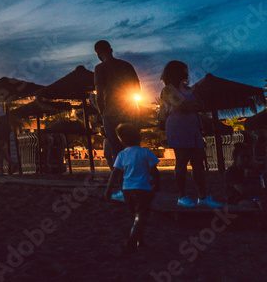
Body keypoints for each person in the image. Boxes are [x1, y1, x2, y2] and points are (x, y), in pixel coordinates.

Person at [160, 60, 221, 208]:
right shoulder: (168, 90)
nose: (187, 72)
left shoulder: (188, 89)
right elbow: (181, 107)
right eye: (184, 69)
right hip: (177, 126)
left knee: (198, 163)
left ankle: (203, 196)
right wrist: (192, 106)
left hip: (193, 127)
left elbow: (201, 105)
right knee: (181, 162)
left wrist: (191, 106)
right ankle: (182, 196)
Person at [105, 123, 160, 253]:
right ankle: (131, 241)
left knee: (137, 215)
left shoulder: (122, 155)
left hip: (127, 191)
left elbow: (115, 172)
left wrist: (108, 189)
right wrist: (157, 184)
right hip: (143, 189)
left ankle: (139, 241)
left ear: (122, 140)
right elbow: (154, 171)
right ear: (139, 137)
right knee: (141, 216)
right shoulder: (146, 152)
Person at [93, 40, 142, 170]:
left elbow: (99, 95)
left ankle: (123, 183)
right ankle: (138, 177)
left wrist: (101, 112)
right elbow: (137, 88)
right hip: (131, 111)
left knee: (117, 150)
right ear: (111, 50)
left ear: (98, 54)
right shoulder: (126, 65)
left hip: (111, 112)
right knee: (133, 147)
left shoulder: (100, 68)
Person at [225, 142, 263, 207]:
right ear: (236, 157)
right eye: (243, 157)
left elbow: (261, 186)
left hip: (254, 198)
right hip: (236, 201)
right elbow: (242, 190)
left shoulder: (252, 169)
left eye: (248, 157)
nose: (246, 159)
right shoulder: (231, 172)